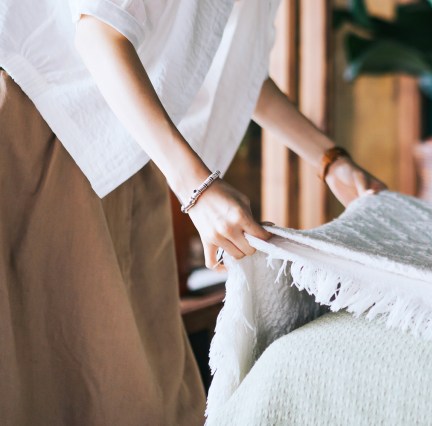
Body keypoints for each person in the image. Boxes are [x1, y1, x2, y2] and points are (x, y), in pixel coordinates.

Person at [0, 0, 385, 424]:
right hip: (45, 120)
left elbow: (230, 66)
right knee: (56, 383)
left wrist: (330, 159)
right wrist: (198, 191)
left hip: (124, 146)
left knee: (152, 385)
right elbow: (99, 33)